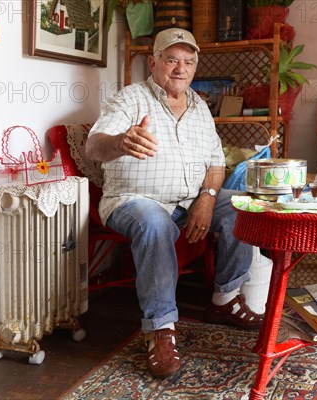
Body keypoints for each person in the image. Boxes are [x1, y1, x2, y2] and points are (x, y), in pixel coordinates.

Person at [85, 28, 264, 379]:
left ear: (195, 67)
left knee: (244, 205)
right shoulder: (130, 98)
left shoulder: (199, 106)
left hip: (190, 198)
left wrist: (208, 198)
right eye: (171, 60)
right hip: (133, 201)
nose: (180, 68)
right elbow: (93, 147)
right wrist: (122, 141)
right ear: (153, 63)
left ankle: (225, 300)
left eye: (188, 61)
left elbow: (216, 164)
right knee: (154, 221)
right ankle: (160, 328)